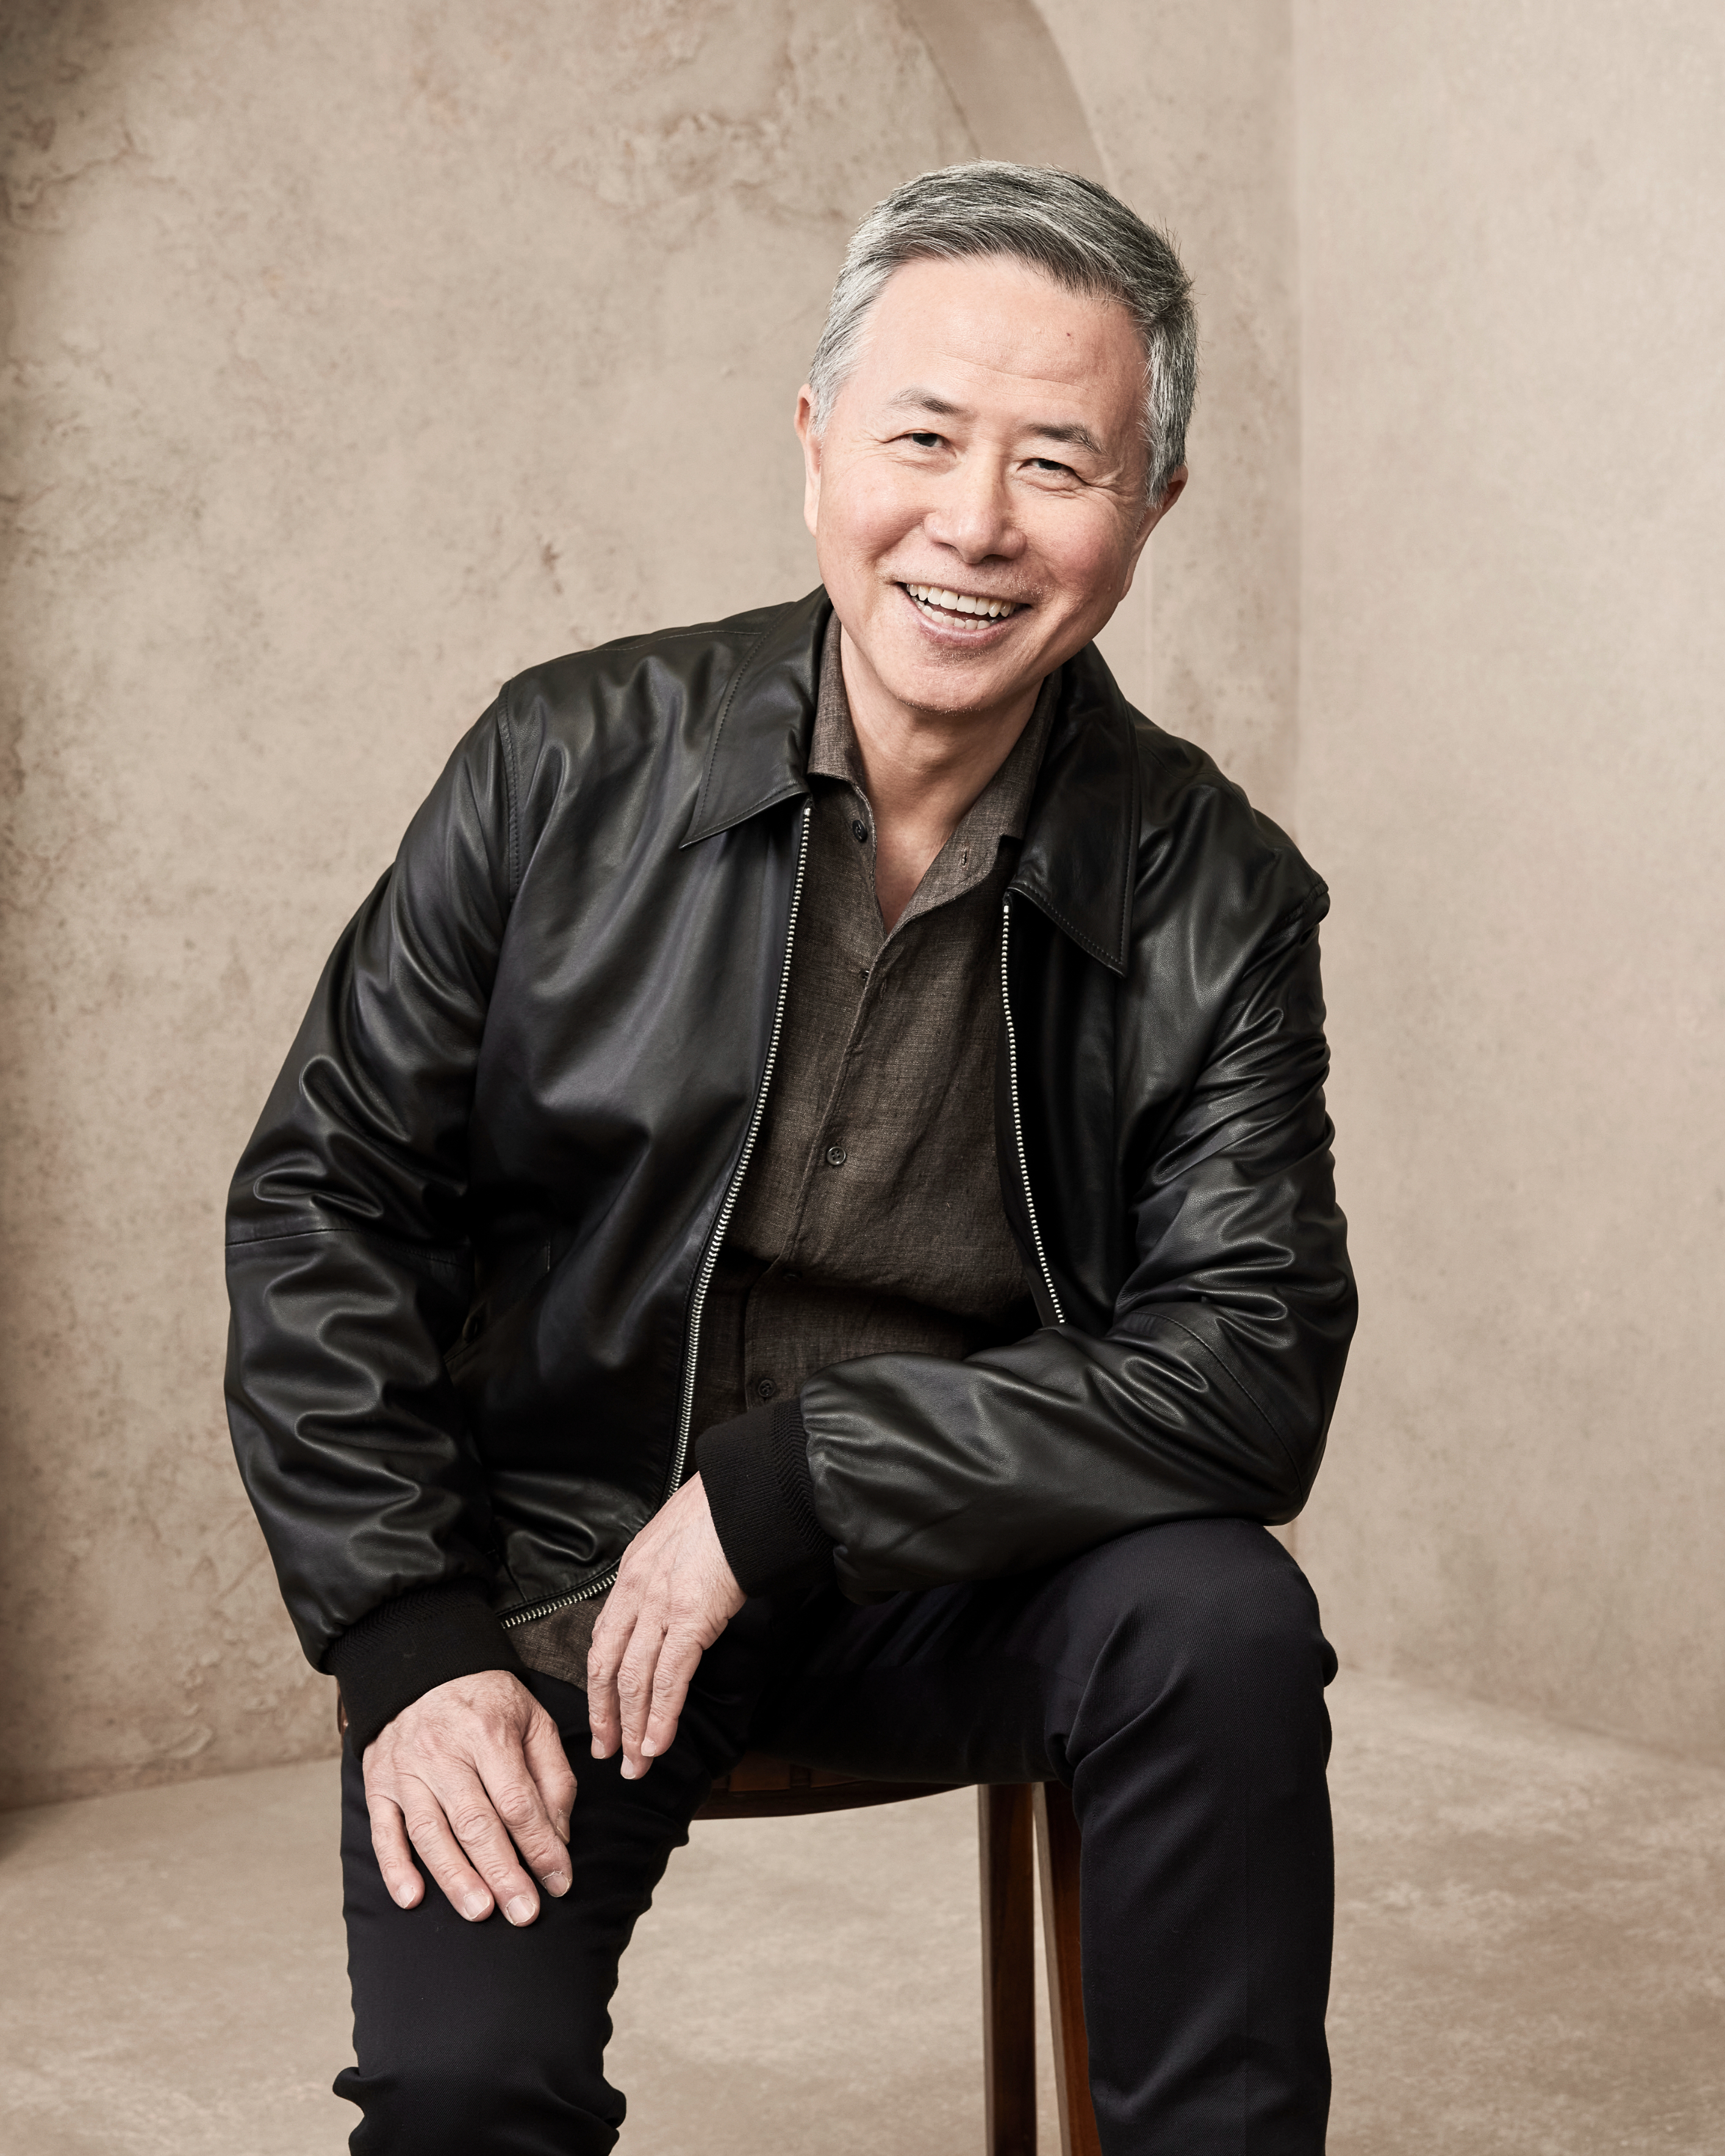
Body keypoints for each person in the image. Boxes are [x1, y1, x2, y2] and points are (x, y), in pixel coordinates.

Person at [226, 161, 1355, 2154]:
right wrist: (406, 1634)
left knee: (1221, 1621)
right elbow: (331, 1200)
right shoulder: (560, 759)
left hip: (975, 1576)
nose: (974, 523)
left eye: (1056, 463)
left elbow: (1247, 1367)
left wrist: (796, 1485)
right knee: (466, 2090)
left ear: (1150, 506)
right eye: (923, 436)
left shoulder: (1216, 887)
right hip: (563, 1574)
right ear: (817, 439)